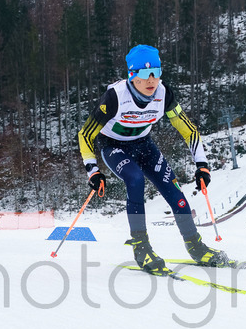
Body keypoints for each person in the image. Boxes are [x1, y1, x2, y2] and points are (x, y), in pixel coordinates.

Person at [78, 44, 227, 273]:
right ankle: (141, 247)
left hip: (144, 145)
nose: (151, 81)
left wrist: (202, 165)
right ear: (131, 75)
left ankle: (196, 246)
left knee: (174, 190)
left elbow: (188, 130)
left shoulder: (163, 94)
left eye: (156, 73)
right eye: (144, 74)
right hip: (114, 146)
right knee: (135, 179)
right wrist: (93, 171)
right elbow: (86, 134)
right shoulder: (115, 97)